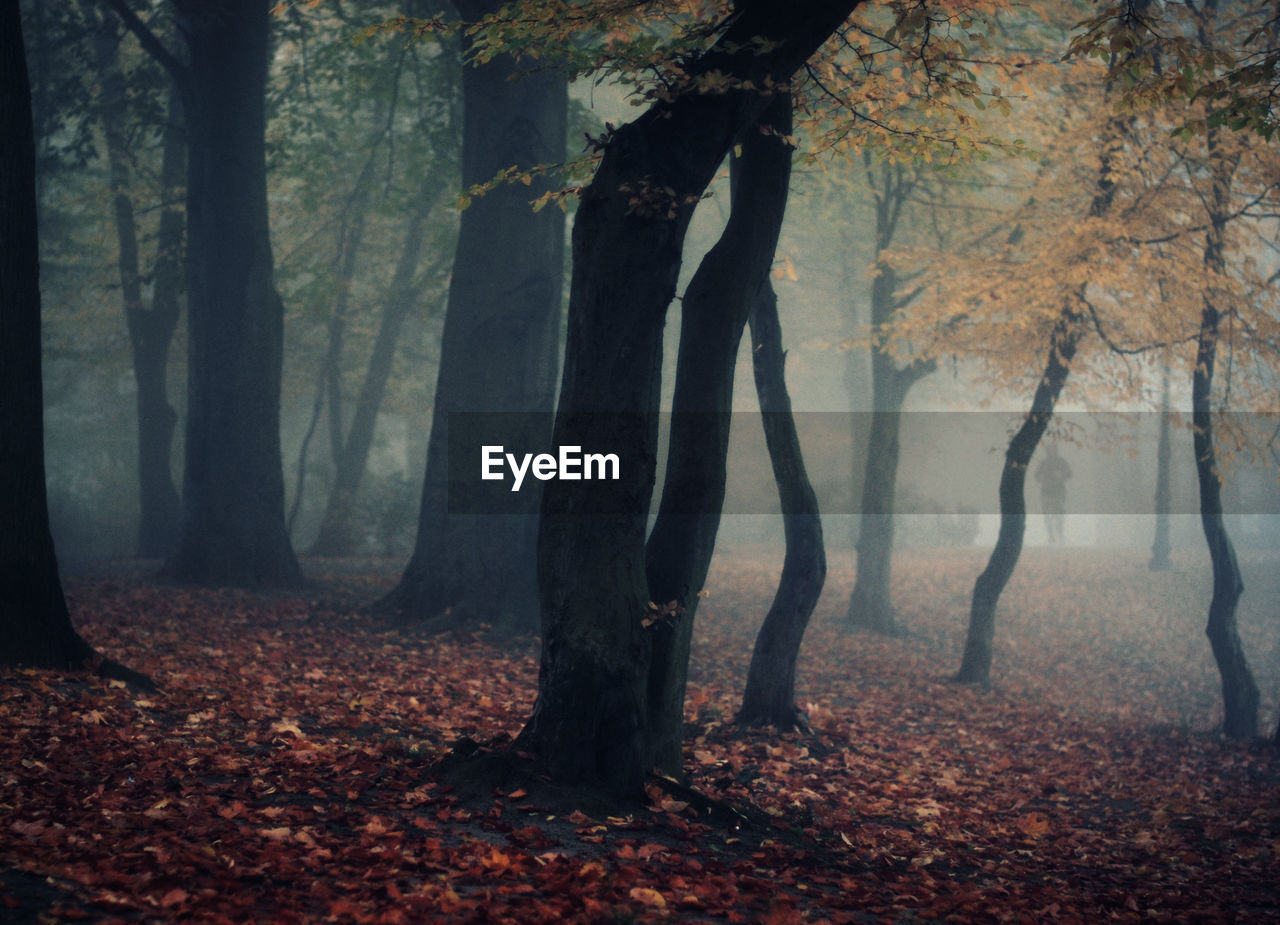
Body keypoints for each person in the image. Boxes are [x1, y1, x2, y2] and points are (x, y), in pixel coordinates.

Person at [1035, 443, 1072, 545]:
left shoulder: (1061, 462)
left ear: (1057, 450)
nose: (1052, 451)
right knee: (1047, 515)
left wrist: (1062, 475)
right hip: (1046, 492)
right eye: (1050, 449)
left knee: (1059, 514)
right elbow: (1036, 475)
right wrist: (1041, 477)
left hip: (1059, 492)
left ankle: (1060, 535)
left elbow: (1069, 473)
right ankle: (1050, 536)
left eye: (1054, 449)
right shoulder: (1043, 463)